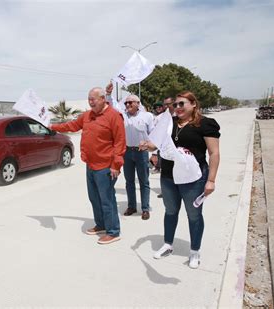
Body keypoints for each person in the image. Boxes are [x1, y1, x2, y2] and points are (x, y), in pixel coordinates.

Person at [140, 91, 220, 269]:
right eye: (175, 104)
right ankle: (168, 244)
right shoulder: (169, 122)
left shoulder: (205, 124)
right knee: (170, 212)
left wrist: (211, 180)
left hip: (193, 179)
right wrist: (148, 145)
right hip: (169, 177)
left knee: (194, 215)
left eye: (181, 104)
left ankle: (194, 251)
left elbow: (214, 153)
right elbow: (157, 143)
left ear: (193, 104)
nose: (177, 108)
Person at [50, 87, 126, 245]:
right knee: (94, 198)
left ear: (103, 99)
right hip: (90, 165)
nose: (90, 102)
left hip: (106, 166)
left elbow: (119, 143)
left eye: (93, 99)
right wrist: (52, 127)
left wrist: (116, 166)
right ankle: (101, 224)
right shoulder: (87, 115)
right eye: (89, 99)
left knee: (107, 200)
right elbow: (71, 126)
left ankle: (113, 232)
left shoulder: (114, 116)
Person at [106, 85, 154, 220]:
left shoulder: (147, 116)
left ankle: (145, 208)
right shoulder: (122, 116)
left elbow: (155, 135)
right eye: (126, 102)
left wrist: (153, 150)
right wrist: (108, 94)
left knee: (144, 181)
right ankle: (132, 206)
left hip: (142, 152)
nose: (127, 104)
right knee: (129, 181)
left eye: (130, 102)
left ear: (138, 104)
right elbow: (112, 105)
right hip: (127, 152)